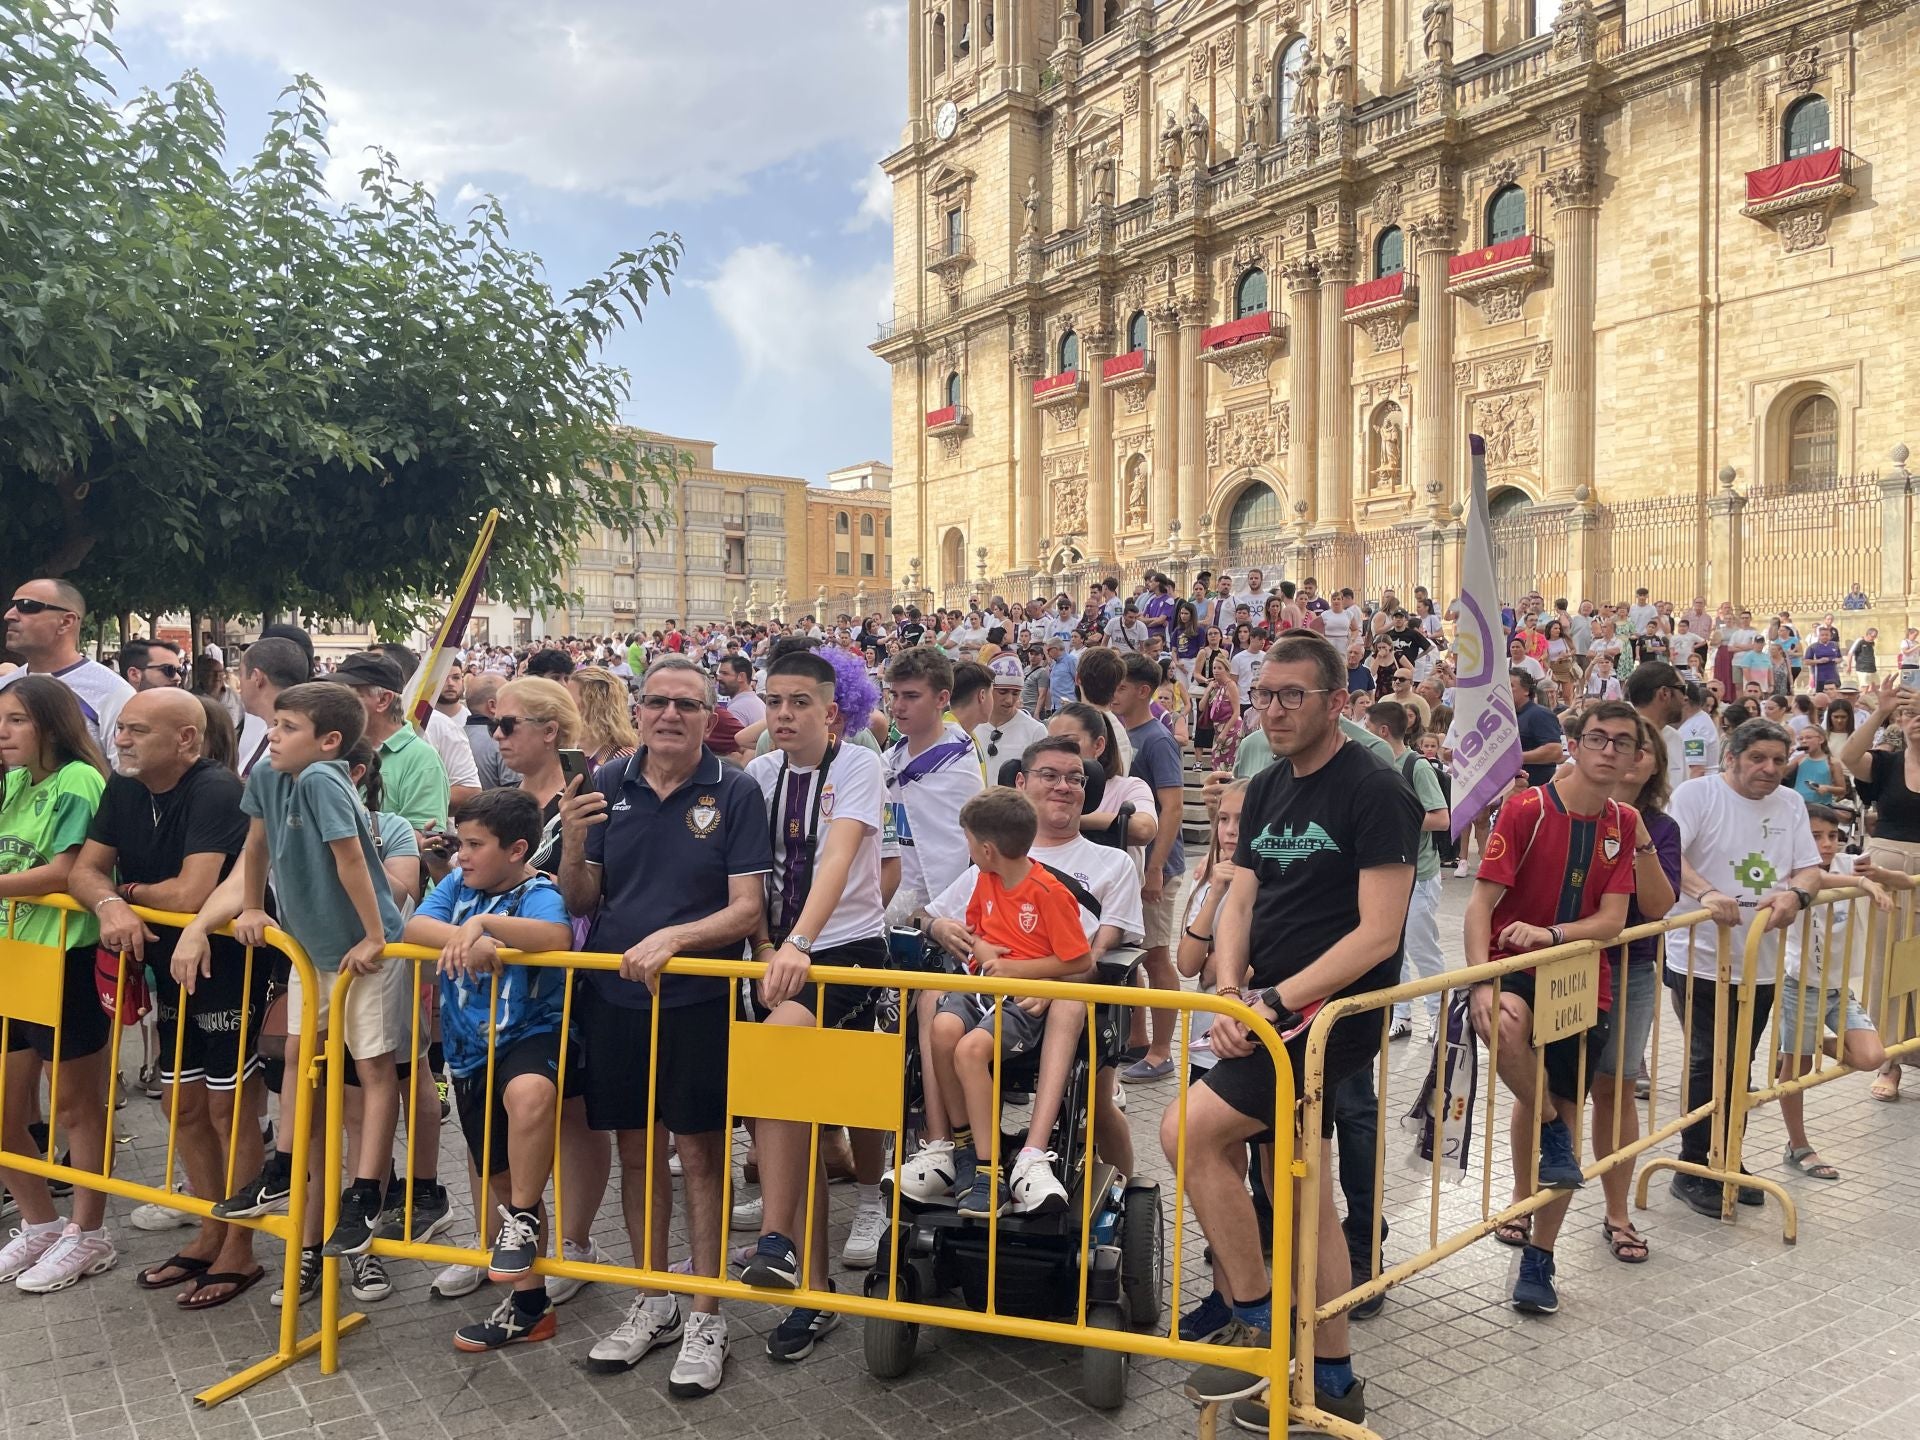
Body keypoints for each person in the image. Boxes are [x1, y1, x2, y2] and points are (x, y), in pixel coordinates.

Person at [1174, 633, 1418, 1433]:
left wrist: (1278, 1002)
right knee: (1299, 1190)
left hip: (1328, 1017)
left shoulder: (1376, 791)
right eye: (1264, 696)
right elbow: (1242, 895)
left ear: (1336, 703)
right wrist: (1228, 989)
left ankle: (1258, 1316)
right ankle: (1333, 1373)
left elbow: (1379, 935)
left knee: (1189, 1133)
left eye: (1292, 696)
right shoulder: (1269, 785)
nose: (1272, 710)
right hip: (1264, 1008)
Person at [557, 656, 771, 1394]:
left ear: (709, 716)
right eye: (657, 702)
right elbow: (584, 898)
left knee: (701, 1158)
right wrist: (573, 841)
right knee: (637, 1154)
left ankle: (708, 1314)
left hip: (697, 1001)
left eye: (687, 704)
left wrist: (675, 939)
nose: (670, 715)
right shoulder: (605, 785)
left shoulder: (735, 790)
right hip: (615, 998)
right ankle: (654, 1301)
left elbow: (749, 909)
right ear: (638, 710)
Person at [195, 682, 418, 1287]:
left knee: (372, 1067)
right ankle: (284, 1166)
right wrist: (249, 908)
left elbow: (351, 859)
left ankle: (367, 1190)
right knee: (298, 1052)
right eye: (274, 723)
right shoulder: (269, 775)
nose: (272, 733)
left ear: (329, 741)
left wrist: (375, 935)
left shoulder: (323, 779)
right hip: (308, 947)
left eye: (288, 726)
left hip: (359, 950)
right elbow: (256, 846)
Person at [69, 689, 271, 1308]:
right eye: (121, 728)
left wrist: (121, 890)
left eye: (136, 730)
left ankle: (242, 1247)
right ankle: (210, 1232)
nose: (120, 739)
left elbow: (189, 895)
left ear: (185, 738)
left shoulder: (215, 789)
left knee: (227, 1112)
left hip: (229, 966)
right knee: (180, 1109)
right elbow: (82, 870)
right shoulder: (124, 786)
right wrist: (107, 904)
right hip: (169, 970)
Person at [1466, 700, 1643, 1314]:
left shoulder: (1622, 821)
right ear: (1577, 741)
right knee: (1507, 1030)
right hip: (1513, 971)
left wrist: (1553, 936)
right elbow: (1479, 906)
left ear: (1635, 755)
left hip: (1577, 980)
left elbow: (1613, 921)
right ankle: (1550, 1133)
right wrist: (1480, 983)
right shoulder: (1528, 809)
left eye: (1623, 741)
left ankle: (1540, 1258)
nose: (1610, 750)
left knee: (1568, 1110)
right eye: (1599, 737)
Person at [735, 651, 887, 1362]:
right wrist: (768, 943)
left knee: (787, 1061)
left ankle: (776, 1237)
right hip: (776, 955)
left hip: (844, 952)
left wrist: (797, 942)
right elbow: (752, 874)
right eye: (774, 701)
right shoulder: (758, 776)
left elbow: (838, 858)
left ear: (831, 710)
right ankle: (810, 1278)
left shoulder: (859, 766)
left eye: (800, 701)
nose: (784, 714)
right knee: (794, 1107)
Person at [404, 789, 576, 1351]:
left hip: (530, 1034)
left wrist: (486, 928)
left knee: (529, 1096)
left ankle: (523, 1217)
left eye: (475, 846)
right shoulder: (458, 886)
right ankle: (530, 1307)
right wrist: (466, 931)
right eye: (460, 844)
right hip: (468, 1050)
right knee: (496, 1175)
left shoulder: (538, 891)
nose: (462, 857)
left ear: (517, 848)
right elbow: (413, 931)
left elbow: (556, 937)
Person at [1663, 718, 1822, 1217]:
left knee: (1740, 1062)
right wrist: (1707, 892)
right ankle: (1694, 1166)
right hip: (1700, 956)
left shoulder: (1791, 804)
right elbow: (1671, 856)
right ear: (1730, 757)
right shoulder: (1697, 795)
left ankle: (1727, 1155)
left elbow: (1810, 867)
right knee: (1709, 1060)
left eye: (1778, 760)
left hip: (1761, 959)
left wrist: (1796, 894)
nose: (1769, 769)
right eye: (1758, 759)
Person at [921, 788, 1094, 1218]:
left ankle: (988, 1168)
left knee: (971, 1050)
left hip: (1019, 1001)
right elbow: (978, 932)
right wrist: (982, 952)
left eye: (967, 841)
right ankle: (962, 1144)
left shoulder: (1049, 893)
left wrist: (1019, 972)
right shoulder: (986, 879)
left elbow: (1078, 959)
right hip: (981, 987)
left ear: (986, 848)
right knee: (941, 1030)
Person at [0, 677, 114, 1293]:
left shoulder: (79, 781)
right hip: (13, 954)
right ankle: (39, 1223)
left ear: (50, 724)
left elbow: (69, 871)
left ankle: (88, 1232)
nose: (3, 732)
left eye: (16, 720)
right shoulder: (14, 782)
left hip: (65, 957)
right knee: (4, 1112)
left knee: (74, 1107)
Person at [1585, 716, 1679, 1265]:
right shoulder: (1559, 810)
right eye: (1609, 742)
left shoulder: (1660, 828)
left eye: (1635, 746)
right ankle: (1523, 1205)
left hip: (1630, 971)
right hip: (1562, 967)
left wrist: (1638, 835)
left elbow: (1657, 906)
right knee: (1548, 1095)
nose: (1623, 755)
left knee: (1615, 1090)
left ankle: (1617, 1212)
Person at [1773, 805, 1891, 1181]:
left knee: (1872, 1057)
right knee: (1798, 1071)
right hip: (1799, 985)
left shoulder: (1847, 862)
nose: (1826, 845)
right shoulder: (1792, 870)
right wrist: (1861, 885)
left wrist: (1879, 877)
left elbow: (1901, 880)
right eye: (1815, 836)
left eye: (1832, 835)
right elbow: (1815, 882)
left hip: (1838, 988)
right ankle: (1798, 1145)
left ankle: (1808, 1043)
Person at [1836, 676, 1920, 1099]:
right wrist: (1881, 711)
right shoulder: (1887, 763)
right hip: (1888, 871)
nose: (1917, 721)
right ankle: (1889, 1062)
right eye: (1910, 715)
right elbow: (1849, 756)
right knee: (1887, 969)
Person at [1113, 653, 1187, 1082]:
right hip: (1132, 864)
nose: (1116, 694)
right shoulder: (1125, 733)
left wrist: (1156, 868)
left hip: (1158, 864)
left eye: (1122, 687)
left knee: (1157, 956)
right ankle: (1136, 1039)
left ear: (1142, 691)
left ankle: (1161, 1051)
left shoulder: (1157, 739)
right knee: (1134, 956)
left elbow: (1173, 807)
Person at [1365, 702, 1450, 1041]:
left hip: (1421, 876)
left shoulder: (1416, 766)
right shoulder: (1374, 765)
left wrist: (1398, 823)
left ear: (1383, 731)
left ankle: (1440, 1018)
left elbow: (1440, 817)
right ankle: (1401, 1015)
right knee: (1392, 949)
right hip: (1388, 876)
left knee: (1421, 948)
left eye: (1368, 728)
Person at [1, 579, 133, 762]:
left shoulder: (112, 692)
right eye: (12, 606)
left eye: (27, 606)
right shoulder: (5, 687)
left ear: (66, 622)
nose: (9, 615)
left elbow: (127, 776)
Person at [334, 652, 453, 835]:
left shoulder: (421, 760)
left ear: (383, 700)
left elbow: (421, 841)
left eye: (349, 695)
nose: (336, 704)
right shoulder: (333, 747)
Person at [975, 655, 1047, 773]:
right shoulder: (972, 726)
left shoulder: (1036, 731)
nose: (1009, 700)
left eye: (1015, 693)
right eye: (1002, 692)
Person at [570, 666, 640, 770]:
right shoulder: (564, 753)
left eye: (568, 699)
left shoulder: (626, 760)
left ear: (593, 706)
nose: (561, 706)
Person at [460, 671, 519, 790]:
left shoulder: (453, 737)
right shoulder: (504, 741)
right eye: (509, 698)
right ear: (493, 705)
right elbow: (515, 796)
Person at [717, 655, 766, 730]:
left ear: (741, 677)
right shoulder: (757, 702)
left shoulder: (737, 709)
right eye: (720, 673)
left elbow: (734, 741)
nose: (719, 678)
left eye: (725, 673)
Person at [120, 637, 186, 692]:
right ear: (134, 674)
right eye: (169, 669)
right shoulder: (115, 707)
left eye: (179, 670)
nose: (178, 677)